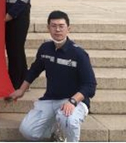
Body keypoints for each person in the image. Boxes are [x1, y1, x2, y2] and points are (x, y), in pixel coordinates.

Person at [7, 10, 97, 142]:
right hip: (51, 99)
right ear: (48, 28)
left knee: (68, 119)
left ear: (68, 28)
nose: (57, 30)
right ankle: (55, 129)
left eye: (61, 26)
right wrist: (21, 90)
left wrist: (72, 101)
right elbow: (34, 70)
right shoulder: (45, 48)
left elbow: (90, 85)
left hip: (73, 100)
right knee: (28, 131)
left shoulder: (78, 53)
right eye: (53, 26)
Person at [4, 0, 33, 89]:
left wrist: (10, 15)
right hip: (6, 17)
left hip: (19, 17)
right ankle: (23, 79)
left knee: (16, 48)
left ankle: (16, 82)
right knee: (12, 48)